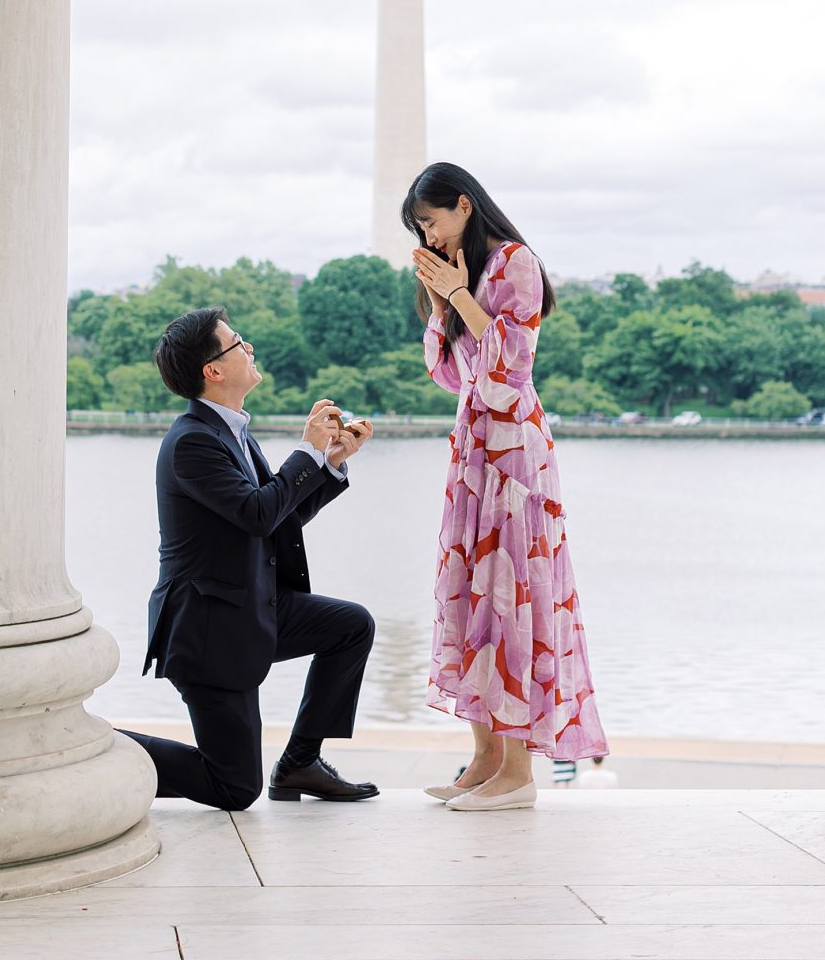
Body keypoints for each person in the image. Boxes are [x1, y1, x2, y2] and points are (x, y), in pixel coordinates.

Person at [403, 161, 609, 812]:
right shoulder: (461, 274)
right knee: (468, 595)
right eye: (420, 230)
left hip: (512, 453)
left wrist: (461, 296)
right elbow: (447, 373)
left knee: (510, 594)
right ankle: (486, 758)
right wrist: (441, 300)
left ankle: (518, 773)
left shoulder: (514, 262)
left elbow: (509, 369)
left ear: (463, 206)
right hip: (472, 450)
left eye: (431, 222)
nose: (430, 237)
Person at [119, 307, 381, 810]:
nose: (250, 347)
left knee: (350, 626)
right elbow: (258, 513)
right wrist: (305, 452)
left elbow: (273, 521)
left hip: (249, 611)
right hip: (209, 631)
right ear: (213, 370)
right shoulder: (192, 441)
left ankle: (301, 760)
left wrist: (328, 463)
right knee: (234, 787)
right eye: (238, 342)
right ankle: (101, 751)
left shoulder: (231, 432)